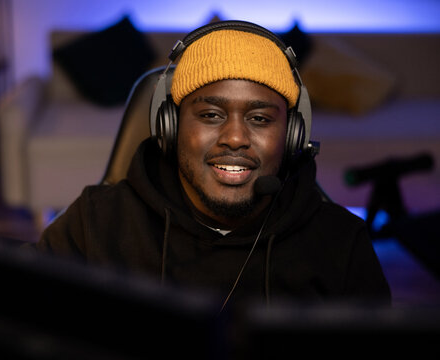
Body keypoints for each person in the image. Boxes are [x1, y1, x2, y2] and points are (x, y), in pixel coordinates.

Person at [34, 20, 391, 309]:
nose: (235, 137)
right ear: (170, 128)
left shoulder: (341, 245)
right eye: (210, 114)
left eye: (261, 119)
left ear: (293, 135)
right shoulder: (94, 224)